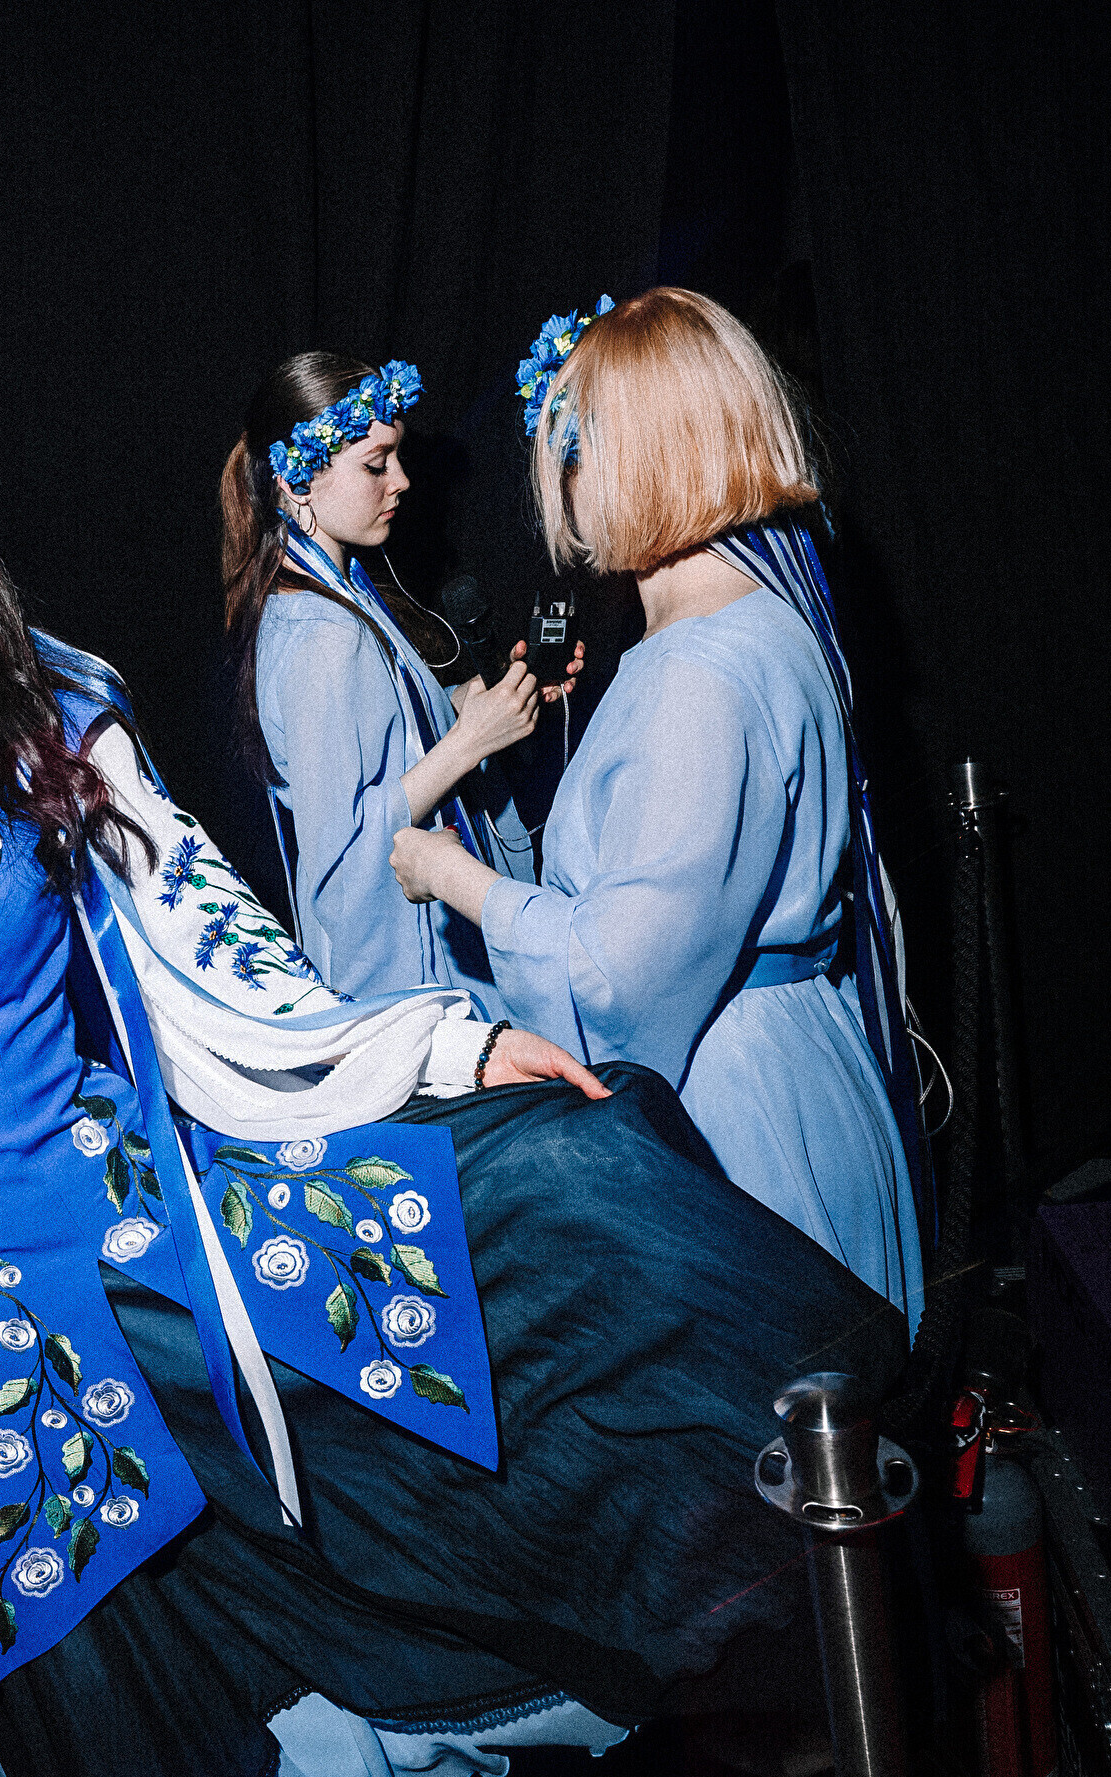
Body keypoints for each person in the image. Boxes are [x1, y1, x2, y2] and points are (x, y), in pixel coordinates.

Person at [0, 330, 898, 1777]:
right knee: (75, 1647)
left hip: (125, 1241)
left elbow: (220, 957)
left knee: (465, 1317)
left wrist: (446, 1046)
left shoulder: (47, 713)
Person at [391, 288, 926, 1324]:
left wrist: (457, 879)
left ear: (627, 459)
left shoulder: (695, 673)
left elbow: (621, 981)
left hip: (733, 1112)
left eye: (572, 455)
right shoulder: (770, 616)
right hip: (803, 1069)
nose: (565, 492)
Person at [222, 353, 575, 1013]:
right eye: (375, 465)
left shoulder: (342, 591)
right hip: (409, 987)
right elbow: (342, 855)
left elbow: (385, 743)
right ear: (298, 482)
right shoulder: (322, 634)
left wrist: (478, 705)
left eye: (398, 458)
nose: (403, 481)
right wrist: (469, 742)